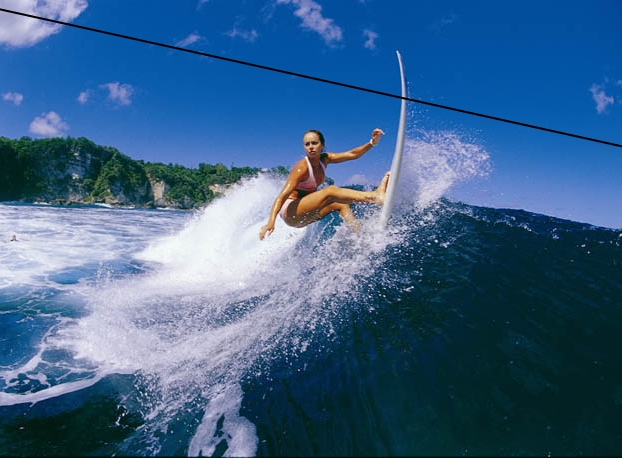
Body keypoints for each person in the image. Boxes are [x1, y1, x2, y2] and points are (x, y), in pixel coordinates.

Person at [259, 128, 390, 240]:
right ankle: (374, 197)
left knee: (340, 204)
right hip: (291, 213)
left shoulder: (325, 159)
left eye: (314, 143)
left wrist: (372, 142)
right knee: (330, 191)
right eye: (307, 144)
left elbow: (352, 154)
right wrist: (271, 222)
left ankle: (358, 235)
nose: (310, 147)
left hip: (304, 216)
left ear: (322, 145)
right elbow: (281, 196)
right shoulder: (301, 168)